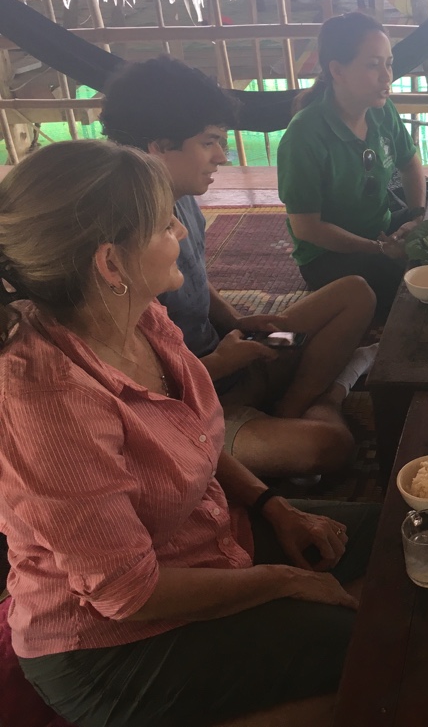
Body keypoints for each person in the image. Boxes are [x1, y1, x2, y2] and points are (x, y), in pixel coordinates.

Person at [0, 139, 378, 727]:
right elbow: (127, 593)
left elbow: (194, 436)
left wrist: (274, 506)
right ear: (110, 264)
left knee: (397, 534)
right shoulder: (49, 401)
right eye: (163, 223)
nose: (181, 229)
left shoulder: (140, 315)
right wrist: (283, 581)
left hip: (201, 538)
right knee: (371, 654)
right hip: (111, 641)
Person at [101, 56, 376, 479]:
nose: (222, 157)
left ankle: (289, 407)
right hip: (189, 403)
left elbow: (192, 276)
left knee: (354, 293)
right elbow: (134, 389)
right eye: (209, 142)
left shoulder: (179, 198)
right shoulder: (119, 246)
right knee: (328, 445)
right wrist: (221, 363)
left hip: (230, 355)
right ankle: (327, 398)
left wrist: (236, 321)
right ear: (159, 146)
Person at [277, 12, 427, 319]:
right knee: (412, 292)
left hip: (381, 228)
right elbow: (307, 227)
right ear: (337, 71)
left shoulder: (381, 110)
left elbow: (410, 164)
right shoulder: (304, 135)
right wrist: (377, 248)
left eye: (388, 63)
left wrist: (417, 217)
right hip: (328, 254)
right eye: (373, 65)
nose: (387, 76)